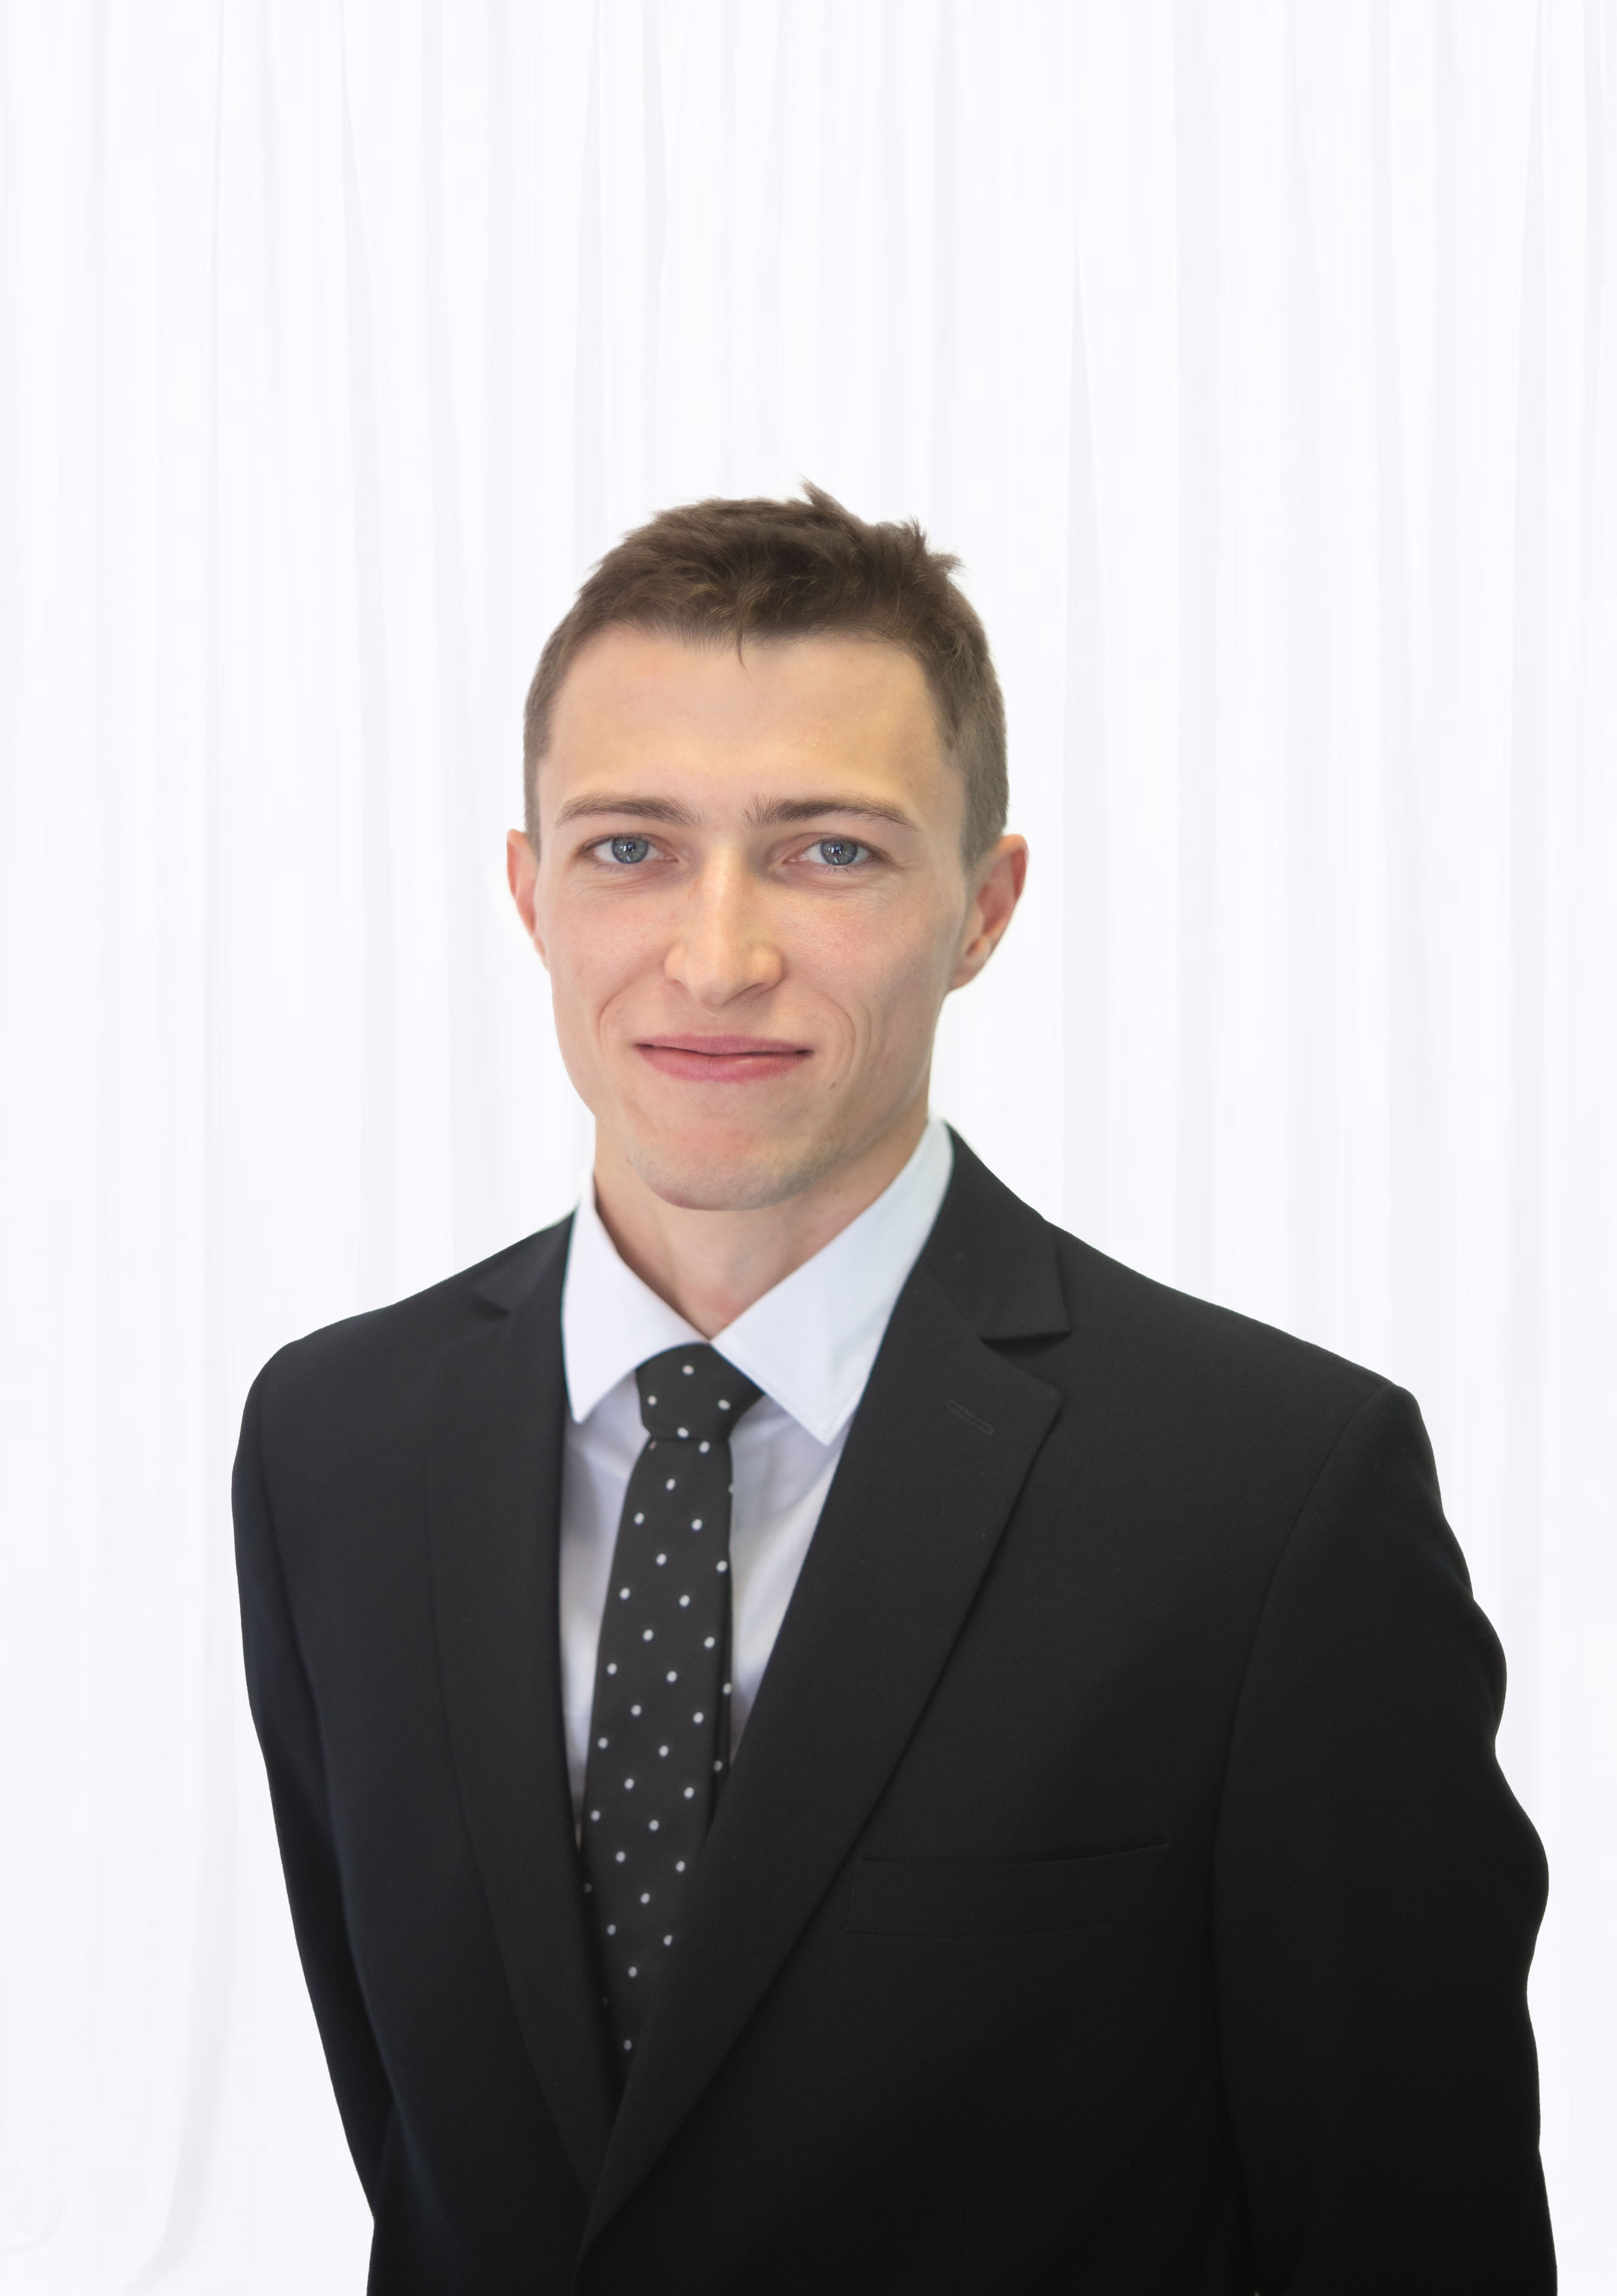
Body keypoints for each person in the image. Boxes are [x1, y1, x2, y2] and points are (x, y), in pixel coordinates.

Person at [234, 486, 1554, 2294]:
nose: (717, 955)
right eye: (631, 846)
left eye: (830, 851)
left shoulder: (1272, 1502)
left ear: (984, 906)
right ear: (531, 892)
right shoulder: (334, 1444)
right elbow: (433, 2170)